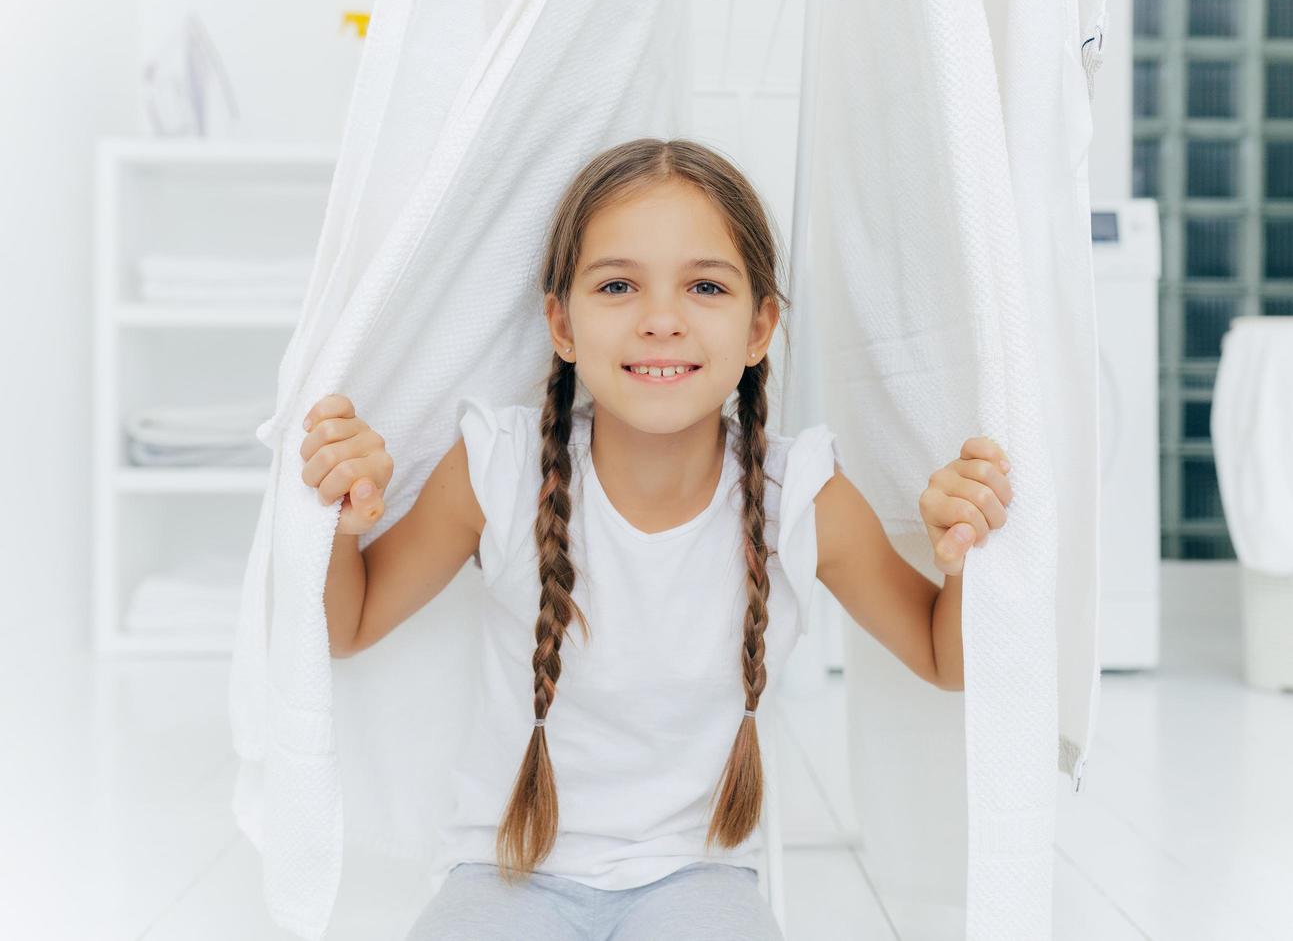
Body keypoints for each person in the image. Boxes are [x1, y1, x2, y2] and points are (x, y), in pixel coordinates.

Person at [297, 138, 1014, 940]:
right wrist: (338, 519)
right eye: (617, 285)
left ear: (759, 329)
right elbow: (346, 626)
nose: (662, 319)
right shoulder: (495, 469)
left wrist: (960, 555)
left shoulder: (799, 496)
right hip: (504, 873)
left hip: (698, 878)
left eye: (705, 286)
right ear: (561, 324)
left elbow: (943, 659)